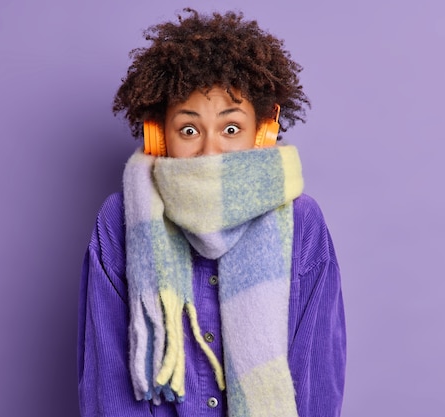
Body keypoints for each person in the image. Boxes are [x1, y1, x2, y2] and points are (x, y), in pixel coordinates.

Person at [77, 8, 346, 417]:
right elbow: (108, 381)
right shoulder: (121, 219)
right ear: (158, 135)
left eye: (231, 128)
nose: (209, 150)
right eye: (189, 130)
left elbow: (316, 376)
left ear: (263, 131)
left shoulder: (302, 221)